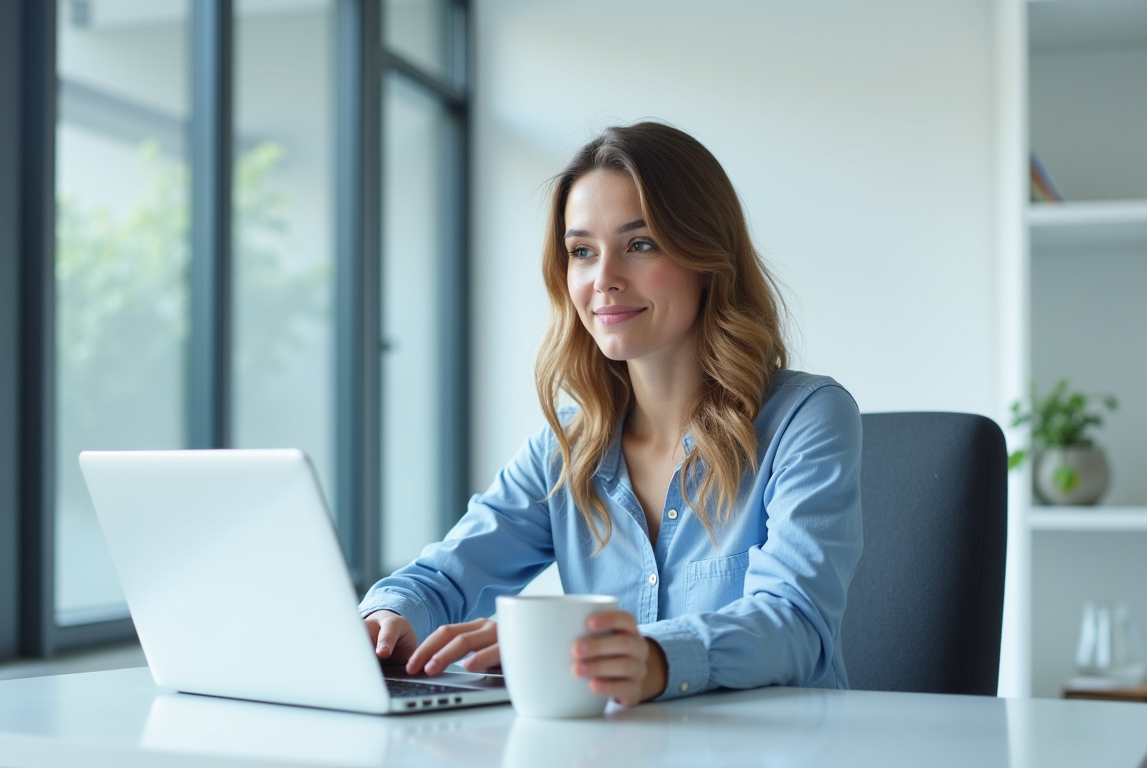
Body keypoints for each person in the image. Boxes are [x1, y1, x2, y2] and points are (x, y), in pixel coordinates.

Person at [359, 121, 863, 707]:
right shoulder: (569, 446)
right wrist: (389, 616)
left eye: (640, 244)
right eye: (581, 252)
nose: (604, 280)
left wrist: (650, 656)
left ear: (707, 257)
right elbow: (445, 576)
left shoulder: (806, 418)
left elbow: (795, 624)